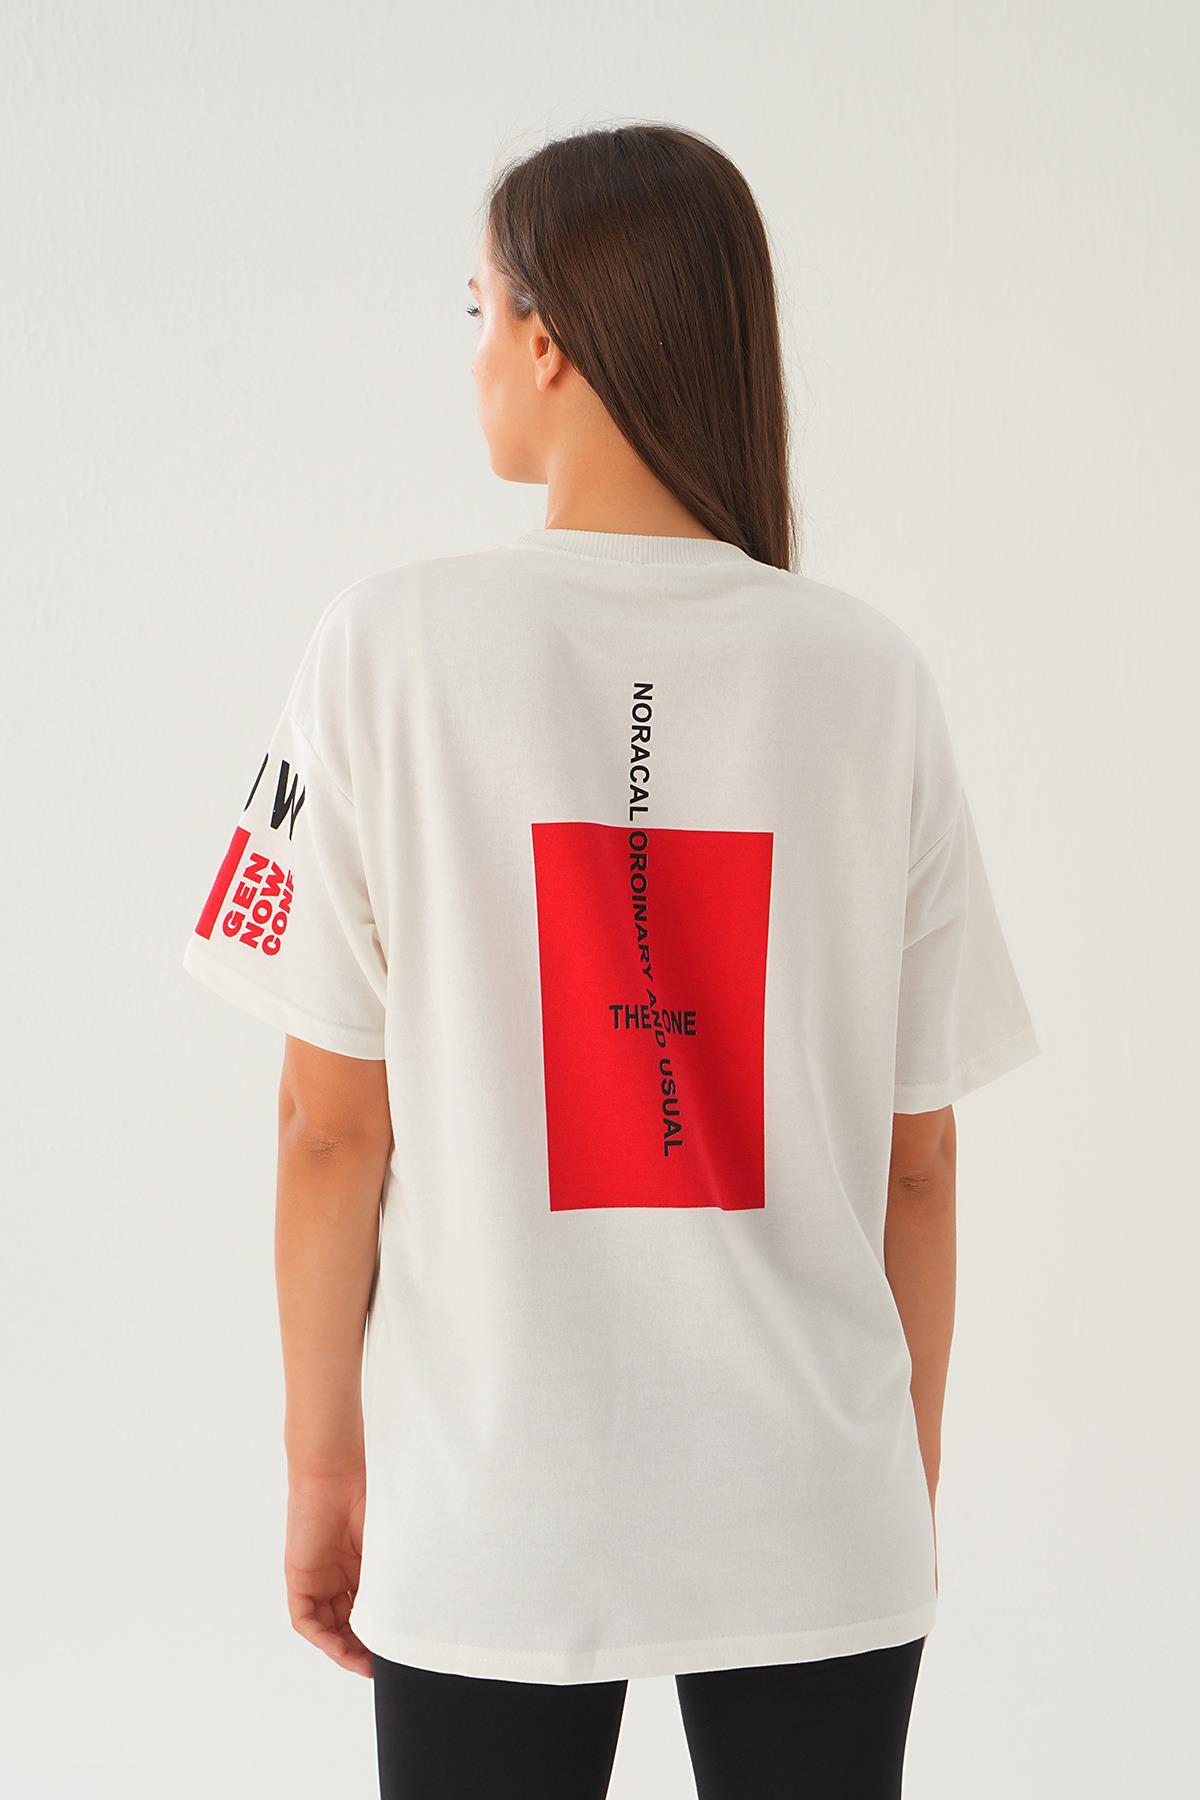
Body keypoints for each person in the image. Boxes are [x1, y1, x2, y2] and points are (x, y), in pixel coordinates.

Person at [182, 122, 1040, 1799]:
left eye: (481, 311)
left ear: (552, 337)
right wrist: (894, 1494)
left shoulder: (383, 648)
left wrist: (323, 1470)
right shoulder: (871, 679)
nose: (476, 354)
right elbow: (920, 1165)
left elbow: (326, 1128)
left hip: (487, 1505)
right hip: (815, 1504)